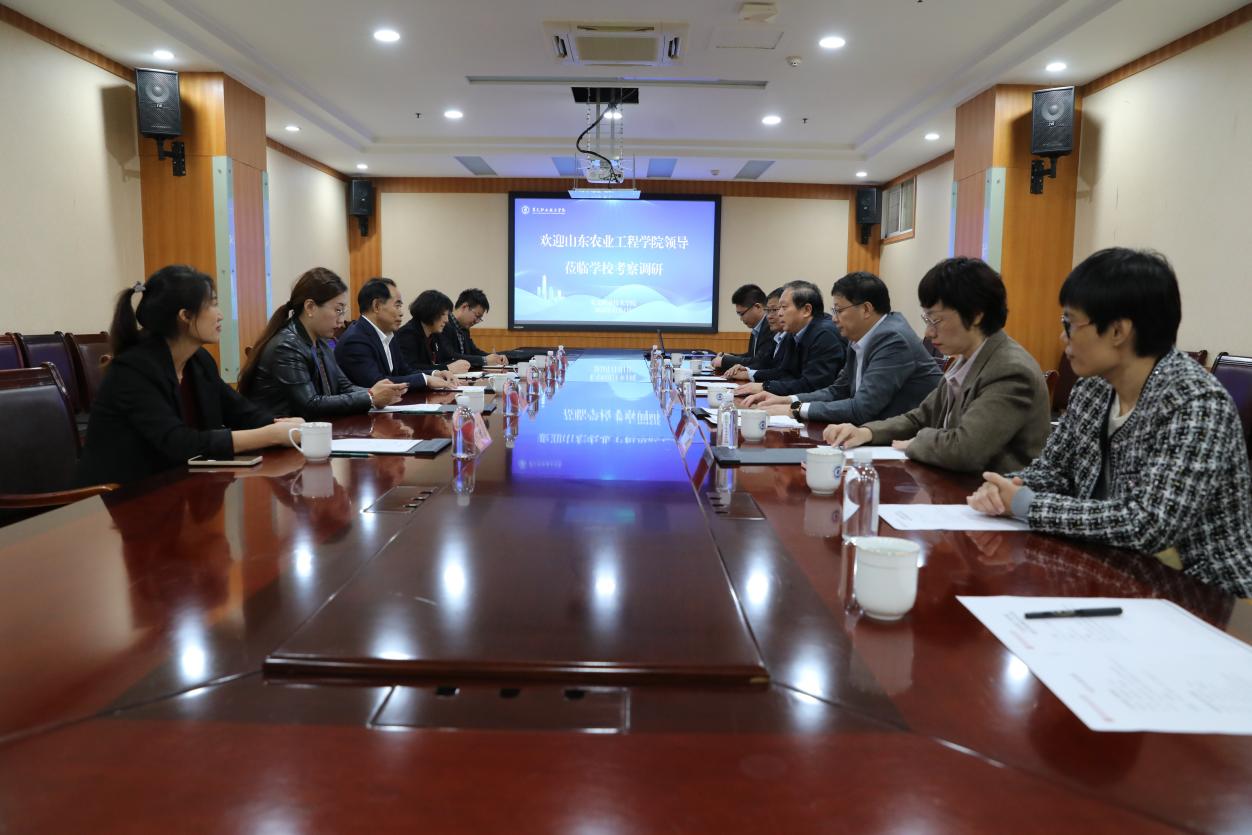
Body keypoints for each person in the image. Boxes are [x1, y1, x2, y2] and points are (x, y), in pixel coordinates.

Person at [968, 247, 1252, 596]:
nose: (1062, 337)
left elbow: (1149, 523)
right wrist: (1007, 487)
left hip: (1202, 594)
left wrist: (1028, 504)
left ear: (1118, 331)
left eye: (1070, 323)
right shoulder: (1093, 388)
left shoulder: (1195, 402)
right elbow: (1056, 471)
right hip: (1112, 570)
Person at [77, 265, 298, 486]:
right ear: (185, 316)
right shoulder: (133, 369)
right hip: (122, 494)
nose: (221, 315)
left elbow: (240, 411)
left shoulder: (199, 361)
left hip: (180, 485)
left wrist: (283, 425)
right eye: (212, 304)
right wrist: (272, 435)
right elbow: (178, 443)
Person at [824, 258, 1051, 472]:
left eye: (936, 320)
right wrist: (866, 432)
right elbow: (919, 417)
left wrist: (916, 442)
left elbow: (966, 449)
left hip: (991, 491)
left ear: (975, 315)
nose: (929, 332)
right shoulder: (965, 360)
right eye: (927, 320)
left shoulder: (1009, 369)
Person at [744, 272, 941, 422]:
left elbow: (862, 408)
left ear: (866, 309)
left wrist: (795, 409)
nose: (834, 318)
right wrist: (788, 400)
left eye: (838, 310)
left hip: (905, 443)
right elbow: (837, 391)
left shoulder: (893, 339)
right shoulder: (859, 336)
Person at [238, 267, 406, 418]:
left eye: (343, 311)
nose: (342, 320)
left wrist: (379, 392)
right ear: (310, 307)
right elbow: (310, 405)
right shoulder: (286, 346)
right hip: (279, 437)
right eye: (338, 310)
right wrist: (370, 397)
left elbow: (344, 387)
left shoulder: (322, 343)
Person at [725, 280, 846, 397]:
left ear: (806, 310)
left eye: (783, 307)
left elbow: (813, 385)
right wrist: (752, 376)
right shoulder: (793, 332)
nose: (779, 313)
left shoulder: (824, 335)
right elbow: (785, 373)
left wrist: (765, 387)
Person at [334, 277, 455, 392]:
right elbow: (376, 383)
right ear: (376, 306)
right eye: (397, 306)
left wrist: (435, 374)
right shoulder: (355, 339)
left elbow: (404, 371)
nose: (401, 313)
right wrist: (425, 380)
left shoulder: (388, 335)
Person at [394, 290, 472, 374]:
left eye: (447, 315)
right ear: (430, 312)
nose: (446, 320)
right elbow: (411, 368)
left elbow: (446, 357)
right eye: (443, 314)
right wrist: (447, 368)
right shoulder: (407, 334)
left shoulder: (435, 333)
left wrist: (458, 365)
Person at [439, 288, 507, 369]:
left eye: (479, 318)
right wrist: (484, 360)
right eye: (477, 316)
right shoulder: (443, 325)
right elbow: (450, 356)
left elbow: (474, 352)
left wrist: (496, 358)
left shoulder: (464, 328)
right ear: (464, 307)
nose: (477, 321)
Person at [713, 284, 772, 371]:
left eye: (742, 314)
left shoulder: (770, 327)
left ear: (758, 307)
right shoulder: (757, 327)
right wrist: (729, 356)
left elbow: (760, 362)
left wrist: (725, 361)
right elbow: (751, 356)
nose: (741, 319)